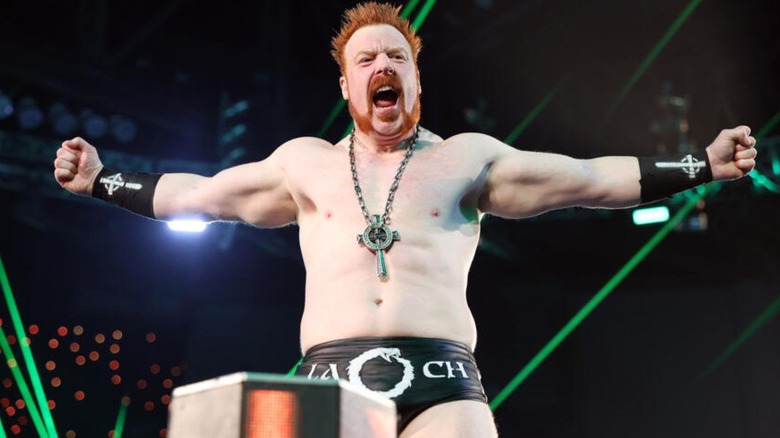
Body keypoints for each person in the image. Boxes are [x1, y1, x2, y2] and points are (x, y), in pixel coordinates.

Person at [53, 2, 757, 436]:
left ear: (416, 79)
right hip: (330, 380)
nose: (382, 65)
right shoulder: (305, 164)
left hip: (445, 380)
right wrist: (99, 181)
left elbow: (591, 179)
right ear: (347, 84)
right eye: (368, 58)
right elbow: (199, 195)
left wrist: (701, 164)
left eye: (397, 56)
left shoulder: (466, 159)